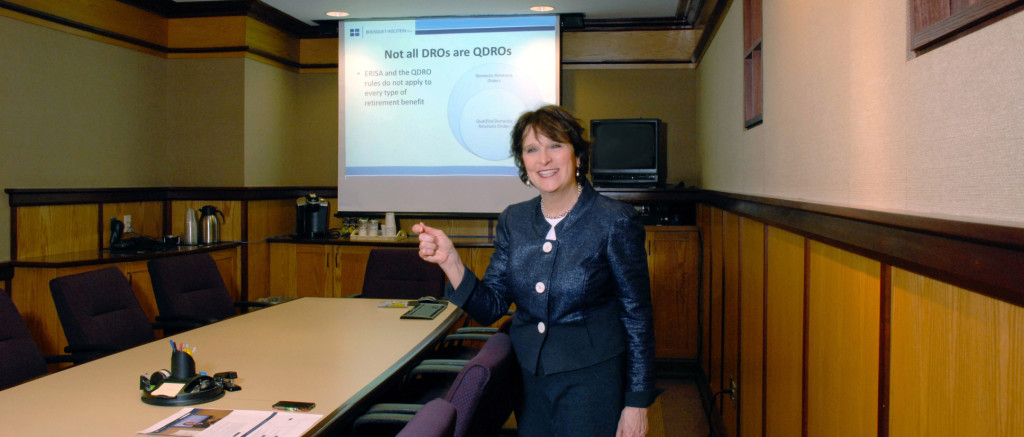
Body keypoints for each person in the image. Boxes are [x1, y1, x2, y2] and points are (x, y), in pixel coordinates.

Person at [413, 105, 660, 436]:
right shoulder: (513, 220)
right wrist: (451, 262)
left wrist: (637, 403)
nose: (543, 158)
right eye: (532, 149)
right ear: (523, 162)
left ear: (577, 156)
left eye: (555, 145)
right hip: (528, 378)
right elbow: (491, 307)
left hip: (593, 379)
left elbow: (637, 317)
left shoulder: (614, 221)